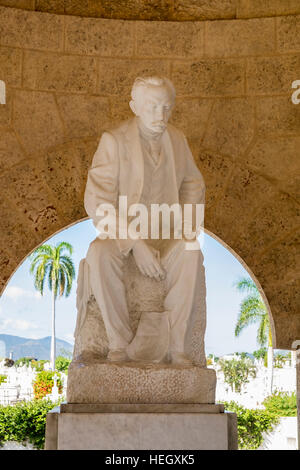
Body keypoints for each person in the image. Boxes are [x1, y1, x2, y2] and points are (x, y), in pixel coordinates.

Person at [83, 76, 205, 364]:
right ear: (134, 106)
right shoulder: (113, 141)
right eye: (151, 107)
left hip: (167, 233)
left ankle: (178, 348)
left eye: (166, 107)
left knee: (191, 251)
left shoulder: (178, 140)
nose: (159, 115)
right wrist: (135, 242)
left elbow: (193, 183)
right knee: (98, 254)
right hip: (125, 235)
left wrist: (187, 228)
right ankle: (119, 343)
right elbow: (98, 201)